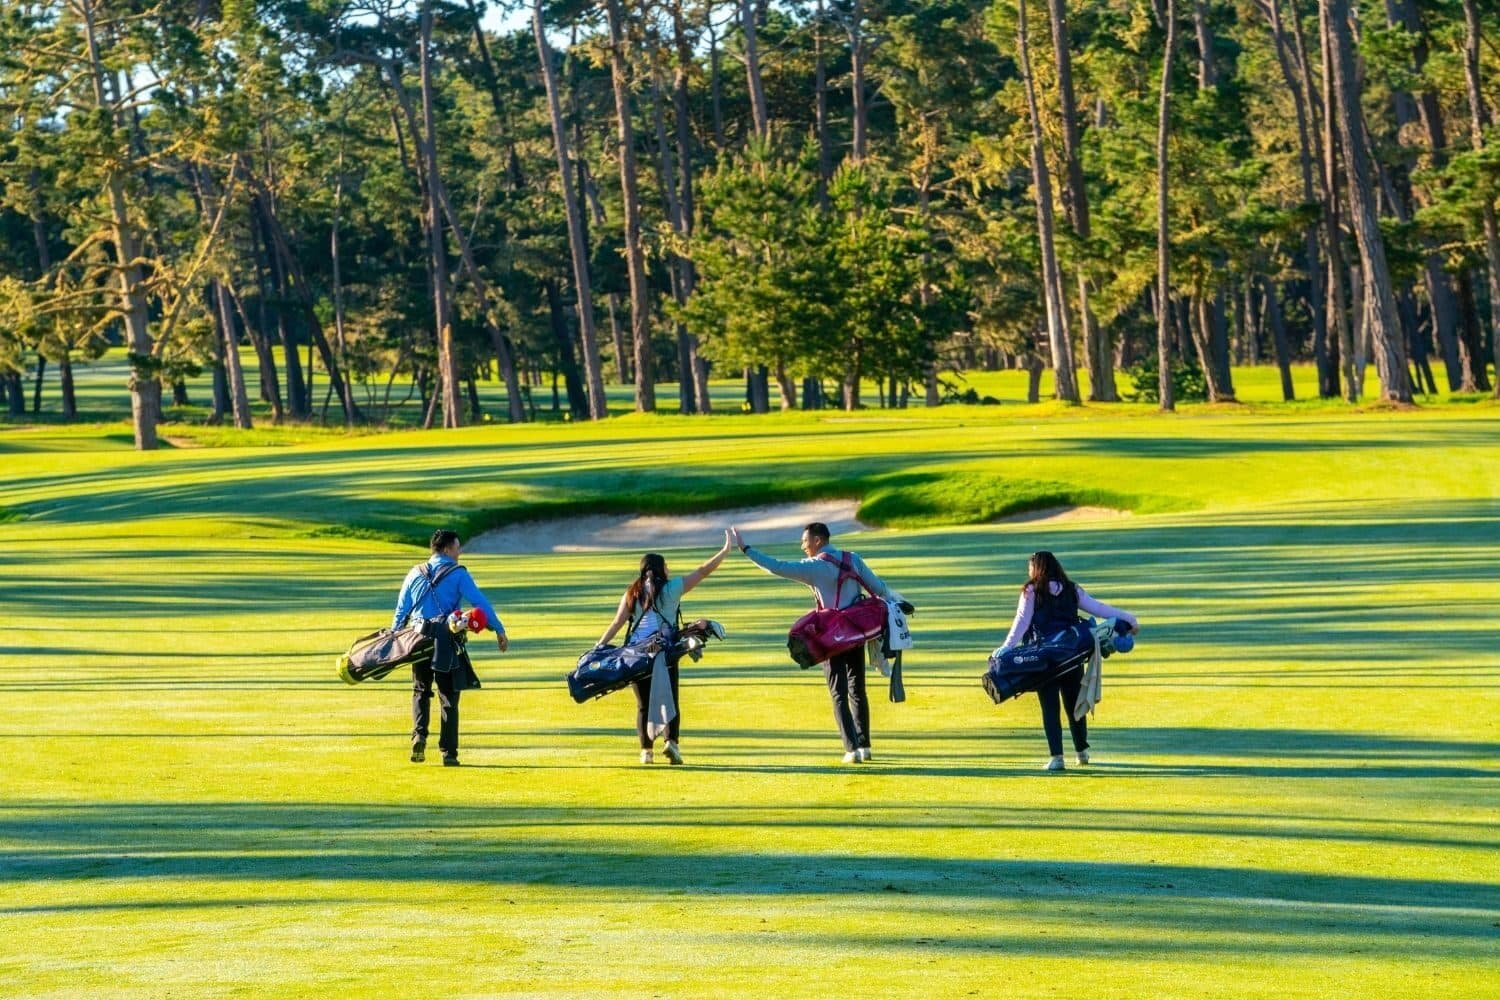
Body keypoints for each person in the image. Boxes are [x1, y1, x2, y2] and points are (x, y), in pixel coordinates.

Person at [729, 521, 895, 764]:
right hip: (857, 633)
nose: (802, 546)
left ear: (818, 541)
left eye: (805, 541)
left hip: (832, 638)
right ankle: (865, 746)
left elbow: (777, 567)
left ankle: (851, 750)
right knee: (857, 689)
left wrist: (746, 549)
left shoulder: (815, 566)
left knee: (838, 692)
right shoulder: (853, 559)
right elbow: (879, 588)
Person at [596, 531, 733, 765]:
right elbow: (702, 571)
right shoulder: (672, 589)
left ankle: (646, 752)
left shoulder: (632, 593)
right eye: (666, 567)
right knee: (670, 698)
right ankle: (672, 743)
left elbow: (617, 623)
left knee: (643, 705)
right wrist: (725, 550)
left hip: (635, 655)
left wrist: (597, 647)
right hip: (664, 652)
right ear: (661, 569)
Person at [995, 550, 1137, 772]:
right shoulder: (1071, 589)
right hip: (1072, 656)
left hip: (1043, 660)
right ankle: (1082, 752)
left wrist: (1005, 648)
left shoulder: (1031, 591)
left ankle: (1057, 757)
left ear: (1036, 568)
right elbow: (1099, 609)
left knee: (1050, 707)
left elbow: (1021, 623)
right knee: (1074, 706)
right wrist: (1129, 619)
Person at [392, 529, 508, 767]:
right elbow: (479, 602)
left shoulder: (415, 572)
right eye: (457, 547)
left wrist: (394, 639)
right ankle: (449, 753)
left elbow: (401, 610)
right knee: (448, 696)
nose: (459, 552)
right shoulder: (458, 574)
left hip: (418, 639)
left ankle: (419, 735)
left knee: (421, 690)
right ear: (446, 549)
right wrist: (498, 628)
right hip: (446, 639)